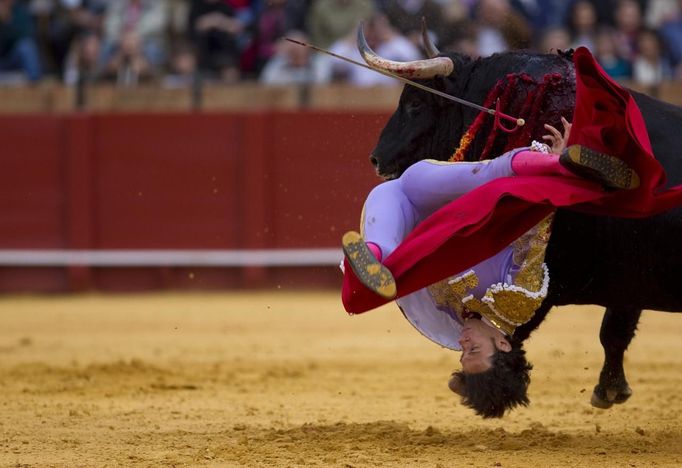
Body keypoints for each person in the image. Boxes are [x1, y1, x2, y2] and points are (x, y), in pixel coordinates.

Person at [340, 117, 639, 417]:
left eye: (462, 353)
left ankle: (374, 255)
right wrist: (557, 164)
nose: (462, 342)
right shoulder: (518, 297)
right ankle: (561, 166)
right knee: (491, 175)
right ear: (503, 345)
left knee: (382, 268)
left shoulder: (453, 322)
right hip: (442, 193)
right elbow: (534, 224)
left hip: (402, 207)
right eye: (473, 350)